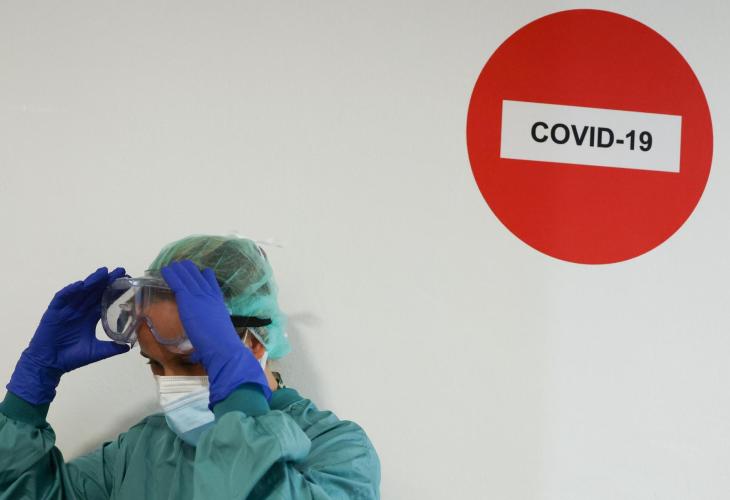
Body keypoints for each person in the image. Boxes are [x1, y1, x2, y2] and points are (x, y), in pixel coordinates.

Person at [0, 235, 381, 499]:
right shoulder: (143, 448)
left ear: (251, 344)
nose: (169, 383)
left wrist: (240, 402)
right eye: (155, 364)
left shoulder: (337, 452)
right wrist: (28, 396)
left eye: (189, 360)